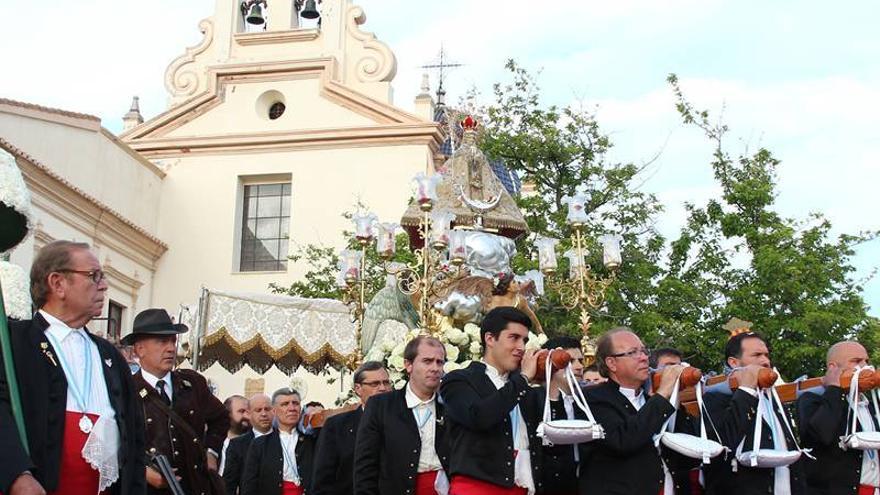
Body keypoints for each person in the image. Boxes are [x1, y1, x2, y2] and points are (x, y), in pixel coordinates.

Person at [0, 240, 145, 495]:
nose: (104, 285)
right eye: (93, 276)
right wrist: (16, 473)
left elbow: (134, 440)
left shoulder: (110, 356)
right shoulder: (14, 342)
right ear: (57, 284)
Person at [440, 306, 544, 495]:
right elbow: (479, 416)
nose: (521, 347)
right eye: (514, 338)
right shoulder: (458, 380)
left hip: (523, 485)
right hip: (476, 487)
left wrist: (554, 380)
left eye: (525, 340)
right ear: (490, 339)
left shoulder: (523, 385)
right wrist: (523, 380)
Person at [125, 308, 229, 495]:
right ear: (140, 349)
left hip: (195, 487)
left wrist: (212, 452)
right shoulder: (126, 392)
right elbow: (114, 445)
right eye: (162, 341)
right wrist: (141, 471)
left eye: (173, 340)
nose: (171, 348)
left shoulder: (192, 384)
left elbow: (221, 418)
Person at [578, 327, 691, 495]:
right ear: (611, 363)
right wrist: (663, 393)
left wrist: (679, 397)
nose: (644, 358)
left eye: (644, 351)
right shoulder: (591, 398)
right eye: (633, 353)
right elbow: (622, 441)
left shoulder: (651, 400)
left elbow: (687, 449)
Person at [702, 327, 805, 495]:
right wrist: (747, 390)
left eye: (766, 355)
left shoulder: (775, 401)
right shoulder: (715, 398)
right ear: (734, 363)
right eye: (757, 355)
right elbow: (722, 445)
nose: (765, 361)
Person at [354, 336, 451, 495]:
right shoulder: (381, 406)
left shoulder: (450, 405)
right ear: (408, 365)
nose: (435, 368)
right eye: (427, 361)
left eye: (439, 362)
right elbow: (365, 465)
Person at [798, 341, 875, 495]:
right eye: (856, 361)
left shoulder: (871, 406)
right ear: (833, 368)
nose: (865, 366)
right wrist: (834, 389)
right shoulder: (812, 400)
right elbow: (820, 436)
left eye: (866, 361)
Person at [311, 361, 391, 495]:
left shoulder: (404, 421)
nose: (383, 388)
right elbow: (323, 480)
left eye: (386, 382)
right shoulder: (336, 426)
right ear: (358, 389)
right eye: (374, 384)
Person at [241, 388, 316, 495]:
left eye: (295, 403)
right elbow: (249, 484)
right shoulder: (259, 444)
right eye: (285, 404)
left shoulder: (312, 441)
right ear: (274, 411)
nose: (292, 408)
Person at [536, 336, 584, 495]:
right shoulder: (534, 400)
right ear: (551, 364)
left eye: (580, 361)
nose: (579, 367)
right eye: (570, 361)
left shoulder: (586, 403)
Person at [223, 393, 274, 495]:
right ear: (249, 414)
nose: (264, 414)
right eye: (258, 410)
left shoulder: (283, 438)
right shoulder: (237, 445)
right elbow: (229, 485)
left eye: (267, 409)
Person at [219, 395, 250, 475]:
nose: (247, 416)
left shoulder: (255, 444)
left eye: (248, 412)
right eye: (241, 411)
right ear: (228, 414)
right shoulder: (213, 441)